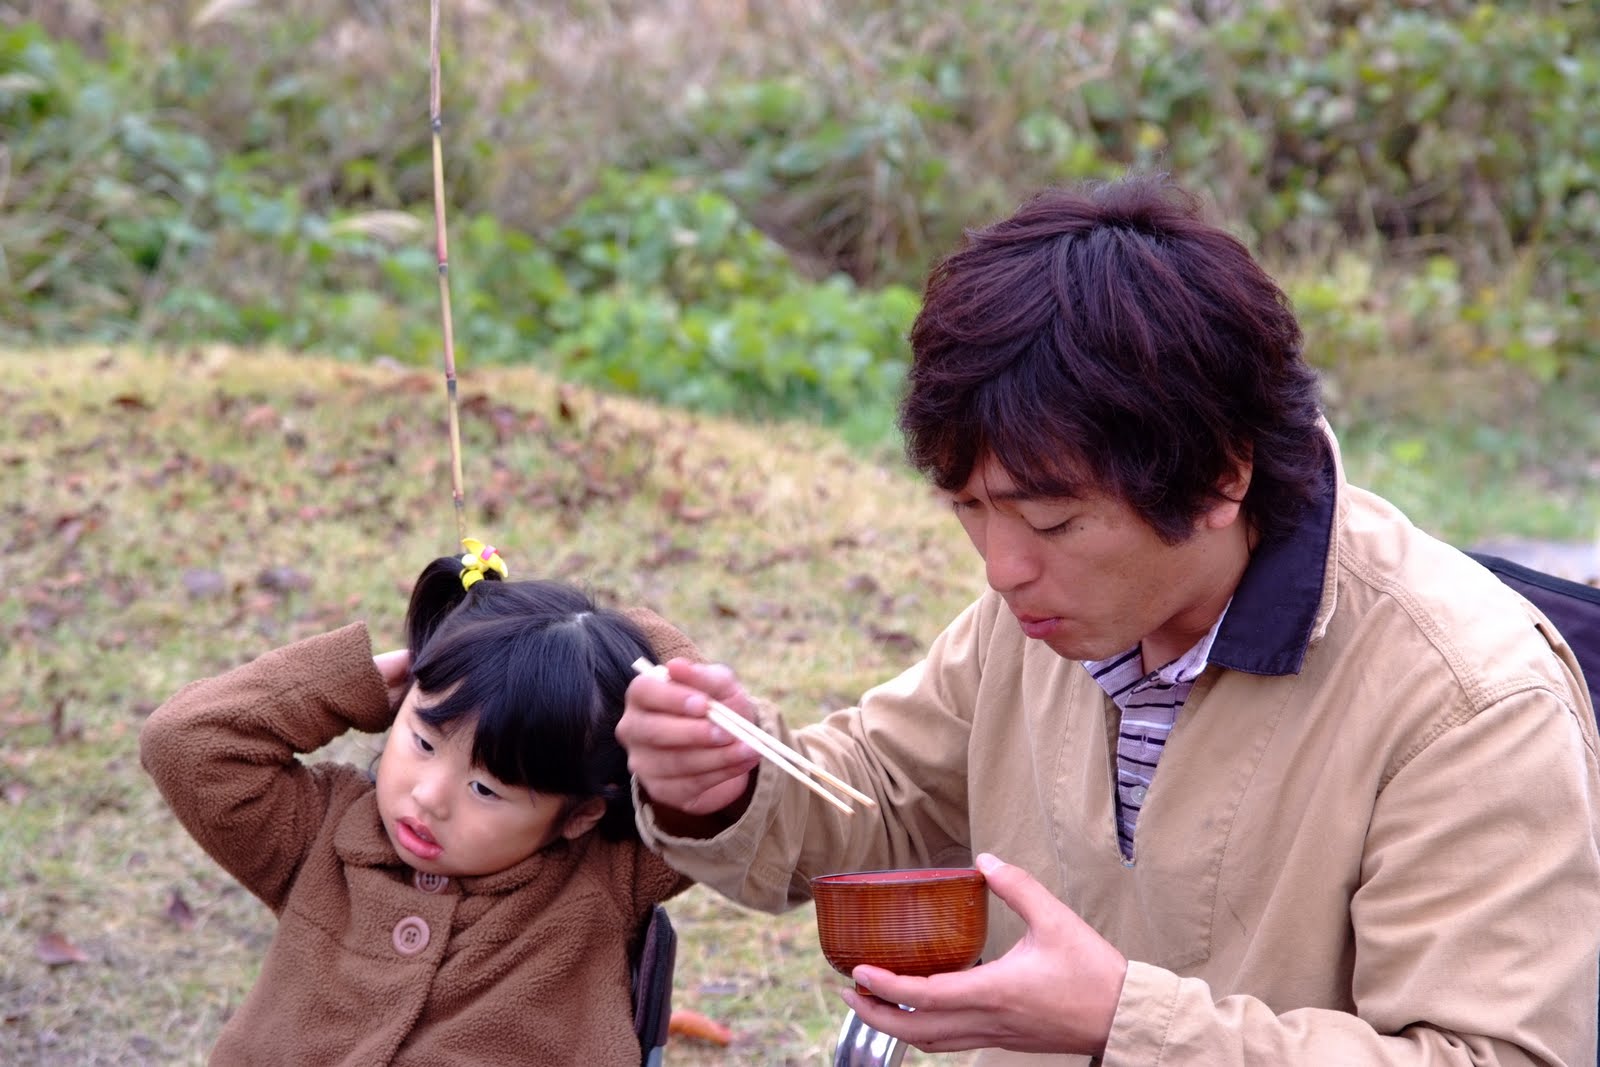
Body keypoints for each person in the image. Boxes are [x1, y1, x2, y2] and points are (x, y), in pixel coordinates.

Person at [617, 175, 1600, 1065]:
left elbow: (1492, 1054)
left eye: (1052, 519)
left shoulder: (1465, 698)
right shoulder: (1047, 616)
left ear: (1219, 477)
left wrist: (1120, 1020)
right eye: (968, 506)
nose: (1001, 568)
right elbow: (876, 809)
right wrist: (723, 784)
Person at [142, 542, 699, 1065]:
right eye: (423, 741)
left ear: (580, 813)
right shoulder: (321, 831)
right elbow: (186, 741)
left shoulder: (611, 872)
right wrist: (351, 681)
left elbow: (727, 781)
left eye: (485, 789)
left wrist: (627, 648)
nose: (428, 798)